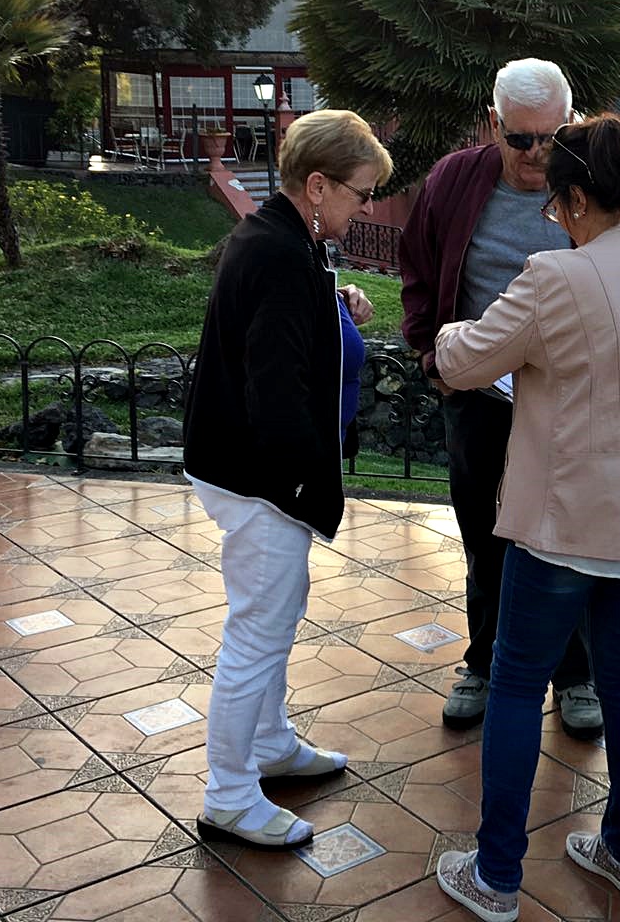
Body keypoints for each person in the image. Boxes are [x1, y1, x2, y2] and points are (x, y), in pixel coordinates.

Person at [429, 115, 620, 922]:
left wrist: (452, 330)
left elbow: (464, 360)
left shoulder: (553, 276)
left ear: (571, 198)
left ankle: (497, 874)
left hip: (562, 523)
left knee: (516, 682)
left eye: (556, 205)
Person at [181, 109, 392, 850]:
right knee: (256, 635)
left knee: (274, 617)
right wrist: (299, 488)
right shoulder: (278, 254)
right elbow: (273, 389)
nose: (368, 209)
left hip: (257, 476)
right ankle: (230, 795)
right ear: (318, 186)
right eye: (362, 193)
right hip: (261, 481)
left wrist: (334, 303)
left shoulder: (286, 240)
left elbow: (286, 327)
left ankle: (268, 744)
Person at [399, 58, 601, 736]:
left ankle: (575, 675)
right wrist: (428, 354)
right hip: (479, 395)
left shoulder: (590, 182)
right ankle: (483, 663)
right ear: (493, 124)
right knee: (483, 537)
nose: (537, 153)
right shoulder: (455, 180)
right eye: (520, 139)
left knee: (569, 537)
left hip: (569, 400)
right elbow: (418, 266)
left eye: (551, 137)